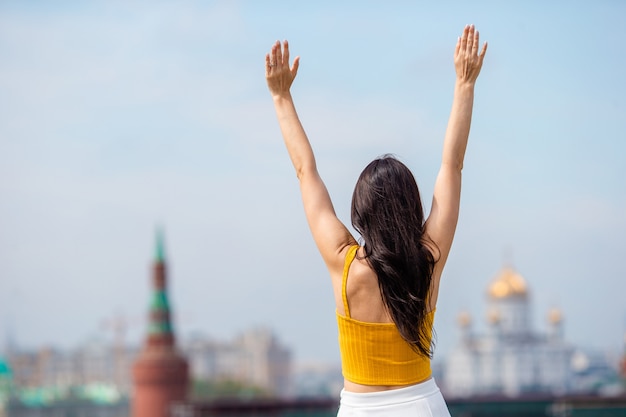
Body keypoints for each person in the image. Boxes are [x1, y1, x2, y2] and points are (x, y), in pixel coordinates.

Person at [265, 24, 487, 416]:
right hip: (423, 406)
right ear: (412, 208)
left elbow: (305, 171)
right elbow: (452, 166)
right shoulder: (428, 258)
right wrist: (464, 84)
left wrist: (281, 97)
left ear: (361, 212)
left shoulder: (344, 263)